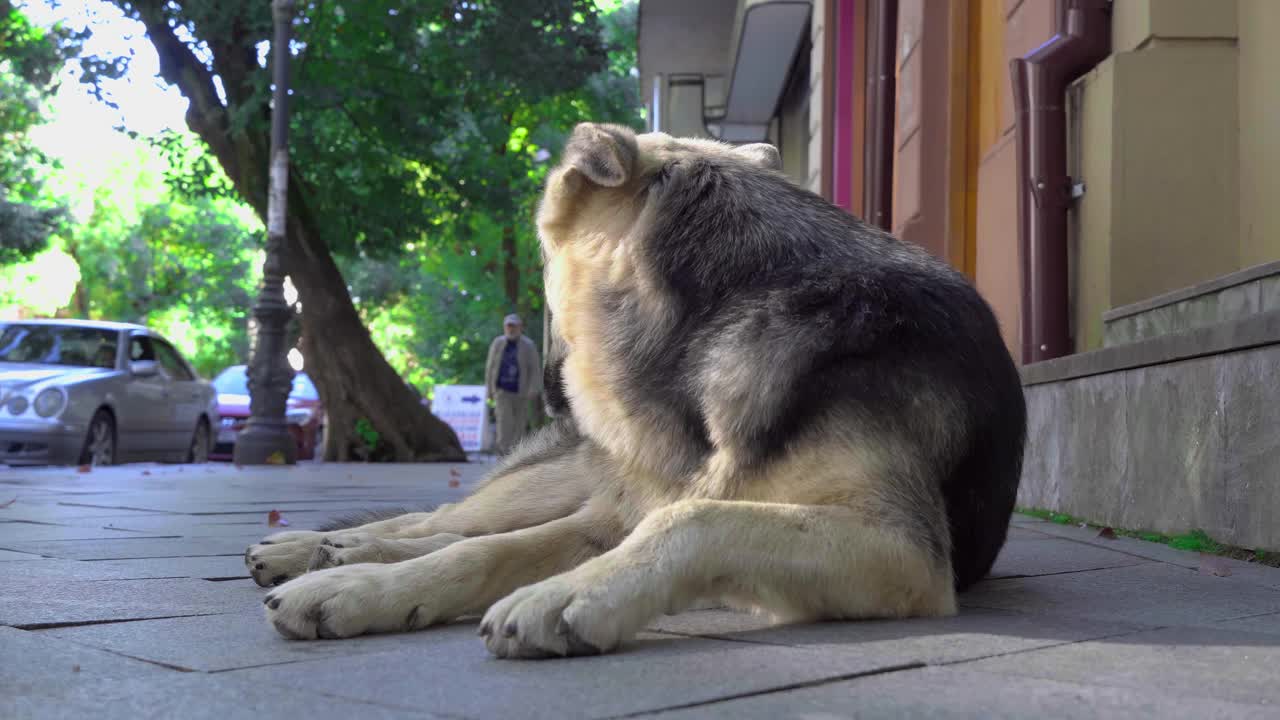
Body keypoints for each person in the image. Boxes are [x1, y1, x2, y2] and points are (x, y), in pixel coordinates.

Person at [484, 313, 542, 455]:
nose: (511, 329)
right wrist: (489, 390)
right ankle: (503, 453)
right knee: (504, 423)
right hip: (502, 391)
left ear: (520, 328)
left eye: (514, 326)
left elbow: (535, 368)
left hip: (521, 391)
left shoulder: (528, 345)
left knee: (519, 424)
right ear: (504, 327)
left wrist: (534, 388)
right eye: (508, 326)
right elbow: (490, 366)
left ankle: (515, 455)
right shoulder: (498, 343)